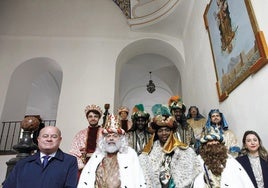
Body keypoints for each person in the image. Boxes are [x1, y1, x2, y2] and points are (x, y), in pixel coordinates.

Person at [139, 104, 201, 187]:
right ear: (156, 134)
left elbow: (192, 172)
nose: (164, 133)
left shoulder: (184, 150)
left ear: (171, 132)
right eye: (160, 131)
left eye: (167, 130)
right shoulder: (149, 152)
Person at [78, 114, 146, 188]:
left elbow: (138, 179)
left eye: (115, 136)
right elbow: (86, 179)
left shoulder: (130, 154)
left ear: (121, 139)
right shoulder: (97, 155)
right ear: (104, 139)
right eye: (108, 136)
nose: (111, 138)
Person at [3, 126, 78, 188]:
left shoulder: (70, 161)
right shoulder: (23, 163)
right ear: (38, 139)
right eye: (45, 136)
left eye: (54, 136)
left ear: (60, 140)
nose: (49, 139)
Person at [70, 104, 103, 173]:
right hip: (84, 165)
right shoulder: (80, 134)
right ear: (87, 118)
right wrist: (81, 165)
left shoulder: (105, 133)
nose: (93, 118)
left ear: (99, 118)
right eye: (90, 116)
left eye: (95, 116)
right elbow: (74, 151)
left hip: (101, 165)